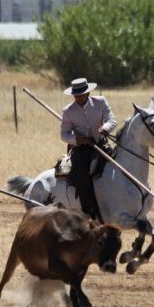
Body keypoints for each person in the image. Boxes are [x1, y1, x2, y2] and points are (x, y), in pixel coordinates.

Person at [60, 77, 116, 220]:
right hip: (82, 149)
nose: (78, 98)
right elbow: (64, 134)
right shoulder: (68, 111)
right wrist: (76, 139)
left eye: (81, 95)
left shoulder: (101, 102)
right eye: (76, 95)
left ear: (88, 94)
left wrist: (105, 128)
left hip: (101, 143)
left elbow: (112, 120)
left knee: (119, 164)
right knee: (81, 174)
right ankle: (87, 209)